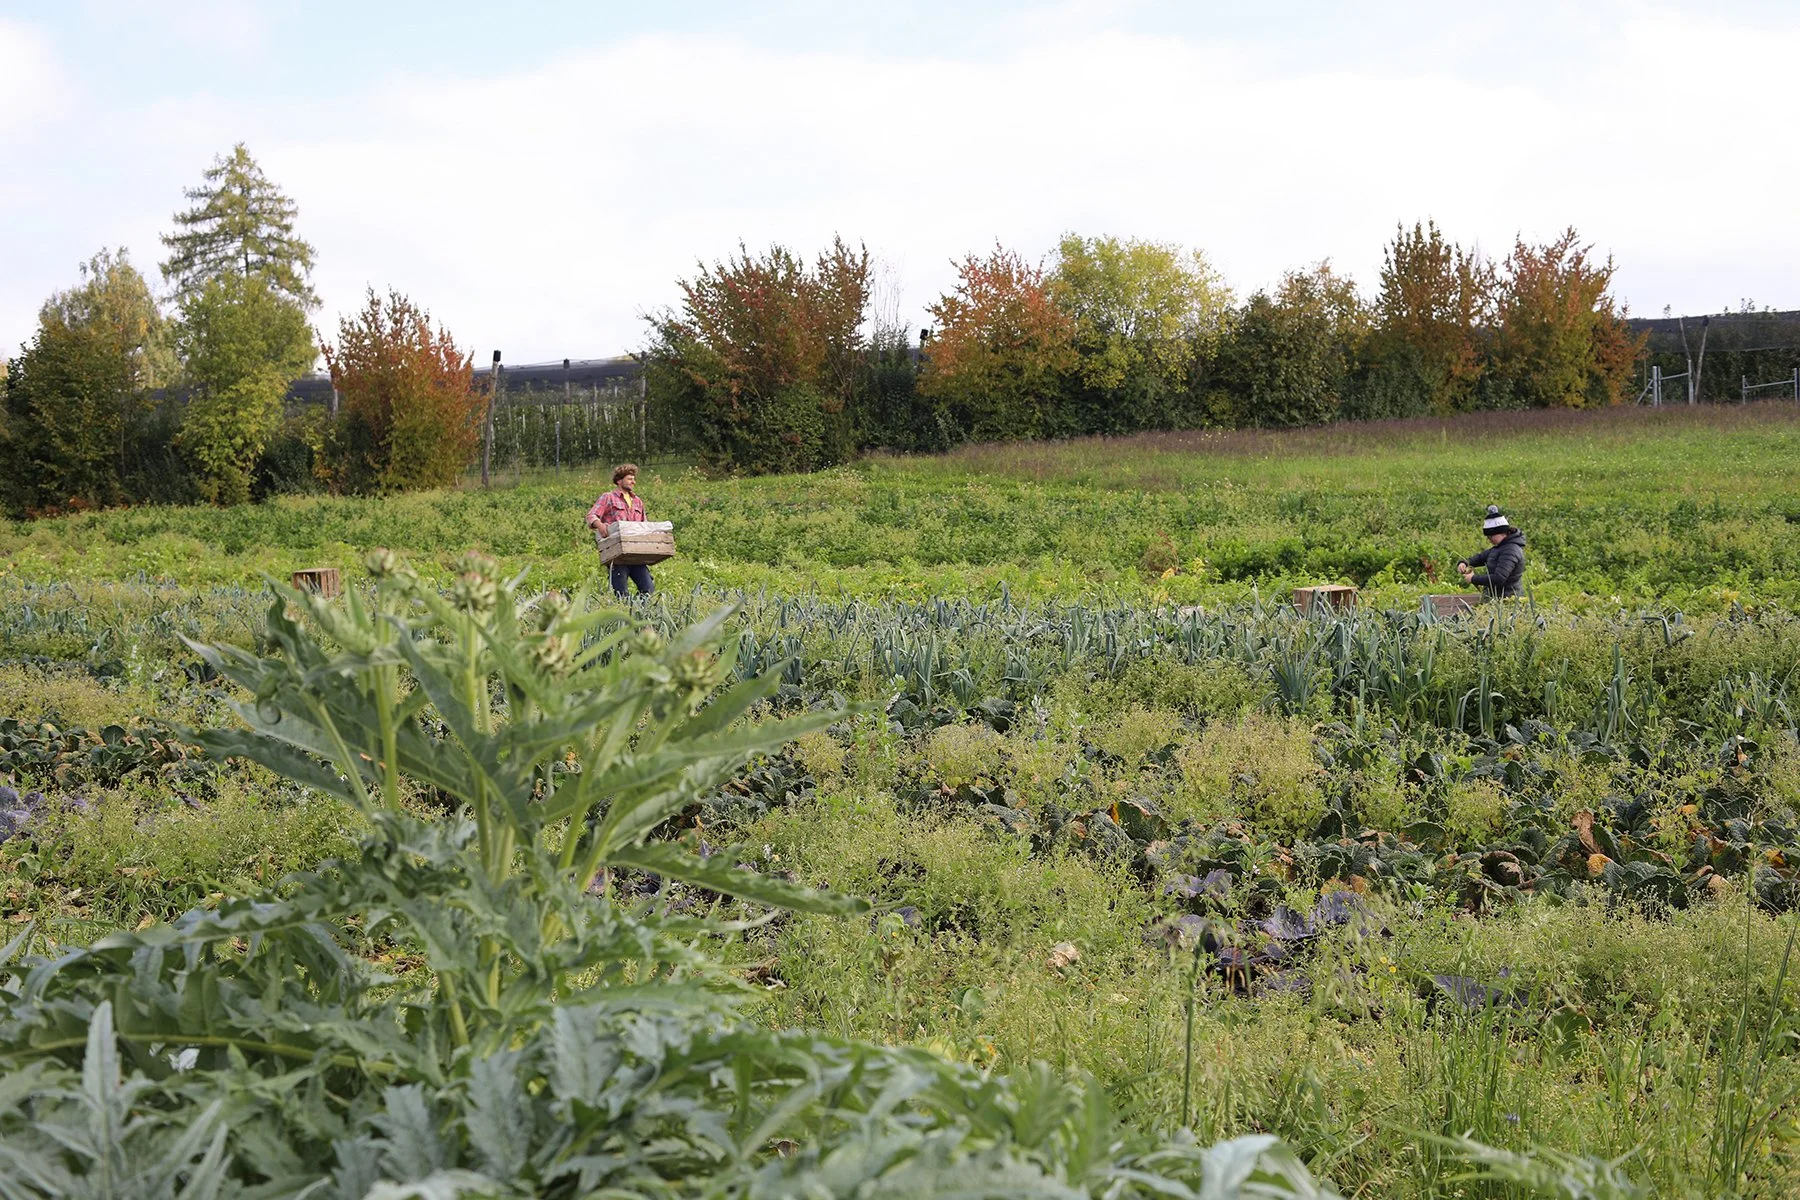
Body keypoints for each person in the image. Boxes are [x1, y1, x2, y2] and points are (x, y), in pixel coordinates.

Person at [586, 463, 655, 597]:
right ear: (619, 480)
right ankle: (623, 614)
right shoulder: (608, 497)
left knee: (648, 589)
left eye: (634, 479)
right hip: (617, 556)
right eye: (630, 479)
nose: (633, 482)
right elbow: (591, 515)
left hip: (636, 554)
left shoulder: (637, 501)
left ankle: (638, 614)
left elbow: (644, 524)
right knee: (621, 593)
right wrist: (600, 526)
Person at [1458, 505, 1526, 598]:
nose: (1489, 540)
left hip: (1508, 600)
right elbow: (1481, 557)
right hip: (1496, 597)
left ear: (1501, 533)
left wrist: (1473, 579)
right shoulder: (1500, 547)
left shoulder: (1511, 551)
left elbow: (1499, 578)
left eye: (1490, 536)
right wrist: (1465, 563)